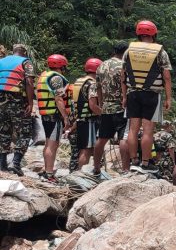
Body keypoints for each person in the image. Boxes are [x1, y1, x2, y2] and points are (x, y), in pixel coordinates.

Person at [122, 20, 172, 174]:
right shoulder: (160, 52)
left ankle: (134, 161)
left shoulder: (128, 51)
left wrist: (124, 96)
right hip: (151, 94)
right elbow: (167, 76)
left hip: (133, 93)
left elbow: (122, 75)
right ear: (154, 34)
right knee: (148, 130)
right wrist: (168, 98)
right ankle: (145, 163)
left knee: (132, 129)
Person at [91, 42, 129, 176]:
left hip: (106, 107)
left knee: (102, 138)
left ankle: (96, 167)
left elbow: (98, 87)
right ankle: (126, 170)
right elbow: (126, 84)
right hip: (121, 107)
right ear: (125, 52)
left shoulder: (101, 65)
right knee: (123, 138)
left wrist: (102, 105)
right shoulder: (124, 65)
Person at [0, 44, 35, 175]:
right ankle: (16, 163)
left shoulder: (1, 61)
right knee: (25, 132)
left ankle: (2, 165)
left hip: (0, 100)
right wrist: (30, 103)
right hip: (17, 99)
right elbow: (29, 82)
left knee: (3, 132)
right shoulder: (26, 62)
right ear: (24, 53)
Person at [36, 54, 70, 183]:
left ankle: (46, 170)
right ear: (61, 65)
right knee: (52, 144)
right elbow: (58, 98)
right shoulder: (56, 78)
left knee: (48, 143)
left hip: (46, 114)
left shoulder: (44, 75)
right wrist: (65, 117)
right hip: (53, 115)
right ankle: (49, 174)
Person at [73, 58, 102, 170]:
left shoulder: (79, 81)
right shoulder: (93, 84)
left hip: (80, 120)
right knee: (87, 150)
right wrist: (104, 114)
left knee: (83, 148)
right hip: (89, 121)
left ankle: (80, 171)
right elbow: (93, 105)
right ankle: (82, 174)